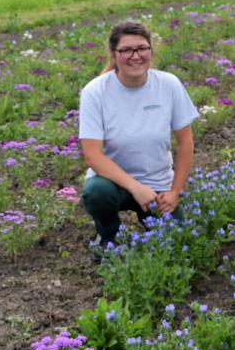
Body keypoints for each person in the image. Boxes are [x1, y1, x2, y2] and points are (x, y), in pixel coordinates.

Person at [79, 21, 199, 248]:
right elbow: (92, 156)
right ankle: (107, 236)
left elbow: (186, 142)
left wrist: (175, 192)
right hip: (113, 183)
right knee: (96, 191)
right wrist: (135, 187)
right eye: (126, 50)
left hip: (158, 186)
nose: (135, 56)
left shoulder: (168, 84)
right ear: (114, 54)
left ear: (150, 51)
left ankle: (151, 220)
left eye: (142, 48)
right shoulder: (95, 92)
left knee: (177, 243)